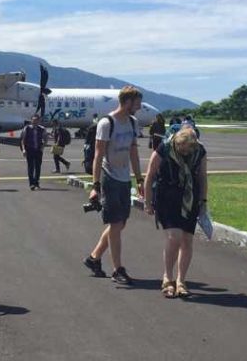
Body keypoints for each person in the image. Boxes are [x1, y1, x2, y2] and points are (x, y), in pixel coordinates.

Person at [83, 86, 144, 284]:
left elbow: (133, 152)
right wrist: (95, 185)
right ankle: (118, 270)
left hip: (125, 179)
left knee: (121, 223)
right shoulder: (106, 123)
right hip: (110, 178)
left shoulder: (133, 122)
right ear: (127, 102)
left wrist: (139, 179)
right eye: (137, 103)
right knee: (116, 224)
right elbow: (98, 156)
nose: (140, 107)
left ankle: (94, 258)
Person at [144, 126, 208, 299]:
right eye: (181, 148)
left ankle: (181, 281)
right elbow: (150, 175)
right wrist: (147, 202)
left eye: (188, 149)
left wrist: (203, 201)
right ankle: (167, 277)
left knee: (187, 240)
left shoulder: (199, 151)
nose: (184, 152)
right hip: (167, 197)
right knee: (174, 237)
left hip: (189, 198)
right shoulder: (164, 148)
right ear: (176, 142)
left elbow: (202, 176)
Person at [21, 114, 46, 190]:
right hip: (30, 149)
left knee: (38, 167)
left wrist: (42, 146)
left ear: (39, 121)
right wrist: (24, 149)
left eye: (36, 120)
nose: (35, 121)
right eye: (33, 120)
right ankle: (31, 183)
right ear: (31, 120)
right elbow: (23, 140)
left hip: (38, 150)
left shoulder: (42, 129)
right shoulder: (27, 128)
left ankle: (36, 182)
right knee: (30, 167)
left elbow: (46, 138)